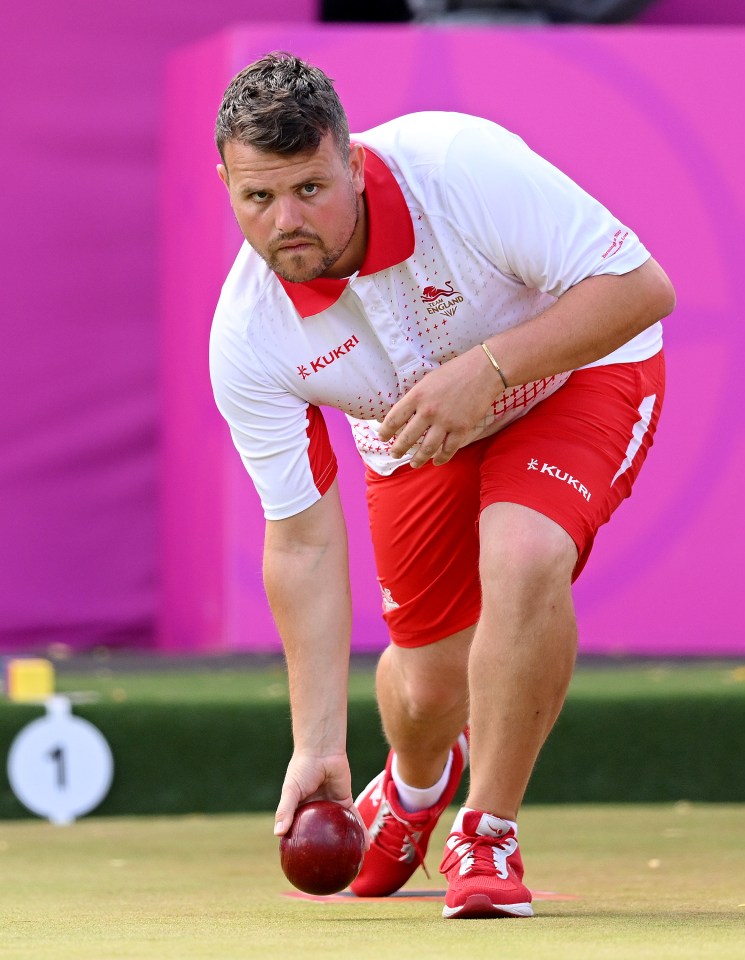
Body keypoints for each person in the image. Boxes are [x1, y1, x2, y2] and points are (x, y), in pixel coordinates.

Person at [210, 52, 675, 919]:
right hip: (418, 435)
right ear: (228, 188)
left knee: (525, 553)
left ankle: (486, 828)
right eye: (258, 198)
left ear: (352, 160)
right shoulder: (246, 338)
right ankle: (417, 787)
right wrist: (317, 745)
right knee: (426, 691)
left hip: (576, 371)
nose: (286, 222)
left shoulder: (457, 167)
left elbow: (643, 288)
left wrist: (490, 371)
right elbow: (303, 540)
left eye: (309, 188)